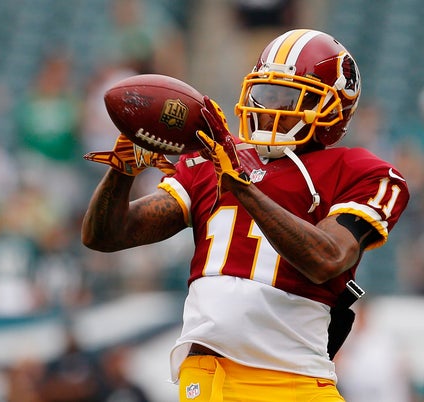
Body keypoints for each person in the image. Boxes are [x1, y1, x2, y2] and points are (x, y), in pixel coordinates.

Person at [81, 29, 410, 401]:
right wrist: (121, 171)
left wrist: (242, 187)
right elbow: (105, 235)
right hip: (213, 374)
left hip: (299, 378)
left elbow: (327, 258)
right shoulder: (211, 160)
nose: (269, 107)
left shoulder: (361, 171)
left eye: (288, 98)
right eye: (264, 93)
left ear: (333, 110)